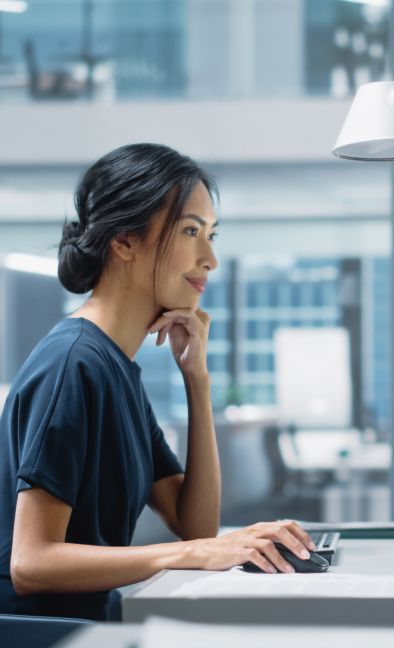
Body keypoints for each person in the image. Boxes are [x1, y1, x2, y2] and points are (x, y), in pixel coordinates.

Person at [0, 143, 316, 621]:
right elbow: (31, 561)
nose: (209, 259)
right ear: (124, 241)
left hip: (92, 625)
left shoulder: (116, 368)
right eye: (191, 231)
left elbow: (196, 524)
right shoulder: (72, 365)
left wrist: (197, 379)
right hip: (42, 644)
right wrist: (188, 554)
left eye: (211, 235)